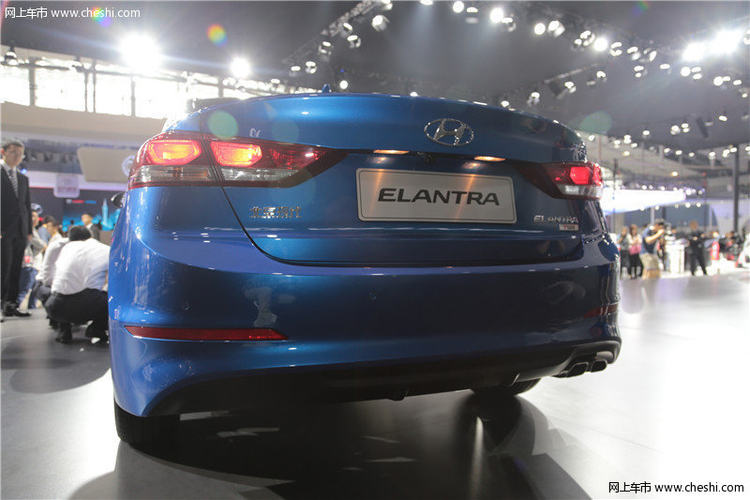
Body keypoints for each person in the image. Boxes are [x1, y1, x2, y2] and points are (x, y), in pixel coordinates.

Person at [44, 226, 109, 344]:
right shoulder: (104, 249)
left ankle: (64, 330)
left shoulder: (66, 248)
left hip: (55, 307)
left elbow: (50, 278)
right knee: (111, 300)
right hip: (86, 307)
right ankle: (96, 329)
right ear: (90, 236)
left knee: (62, 290)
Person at [1, 138, 32, 318]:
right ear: (3, 152)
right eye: (13, 152)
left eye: (20, 154)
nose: (17, 156)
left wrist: (28, 231)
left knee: (15, 269)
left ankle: (10, 304)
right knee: (3, 268)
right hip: (3, 229)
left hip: (20, 231)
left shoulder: (22, 178)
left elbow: (26, 206)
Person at [17, 210, 46, 309]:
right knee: (24, 289)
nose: (36, 219)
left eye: (36, 216)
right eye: (33, 216)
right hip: (28, 264)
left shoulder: (32, 230)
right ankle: (13, 309)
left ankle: (31, 308)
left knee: (33, 289)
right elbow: (41, 245)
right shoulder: (29, 231)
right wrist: (43, 245)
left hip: (32, 264)